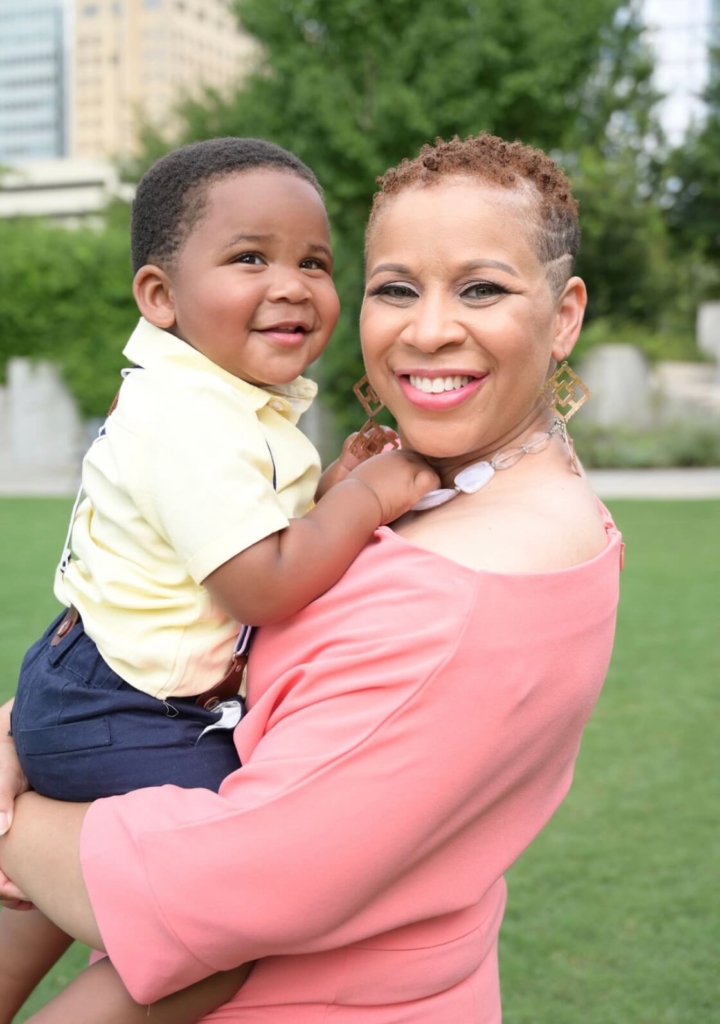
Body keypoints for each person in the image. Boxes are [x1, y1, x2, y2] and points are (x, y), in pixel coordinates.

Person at [0, 132, 623, 1023]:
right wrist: (23, 731)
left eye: (481, 287)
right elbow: (207, 628)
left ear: (563, 315)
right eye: (396, 288)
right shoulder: (447, 488)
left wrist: (19, 820)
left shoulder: (469, 589)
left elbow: (221, 890)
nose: (430, 326)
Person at [0, 137, 437, 1022]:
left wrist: (333, 485)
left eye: (313, 262)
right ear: (161, 296)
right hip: (122, 705)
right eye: (250, 258)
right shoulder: (187, 419)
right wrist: (373, 499)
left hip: (94, 680)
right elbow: (264, 585)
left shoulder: (219, 398)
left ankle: (28, 876)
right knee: (217, 919)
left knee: (47, 894)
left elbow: (249, 525)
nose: (292, 284)